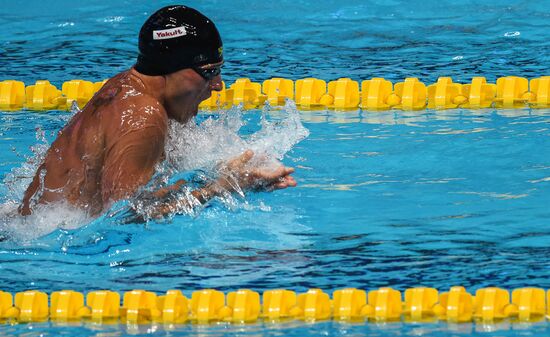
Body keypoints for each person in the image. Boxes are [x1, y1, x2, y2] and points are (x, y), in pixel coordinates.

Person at [19, 5, 297, 217]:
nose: (218, 85)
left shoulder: (125, 85)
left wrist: (223, 171)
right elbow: (122, 217)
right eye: (209, 72)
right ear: (172, 67)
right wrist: (225, 187)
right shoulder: (143, 118)